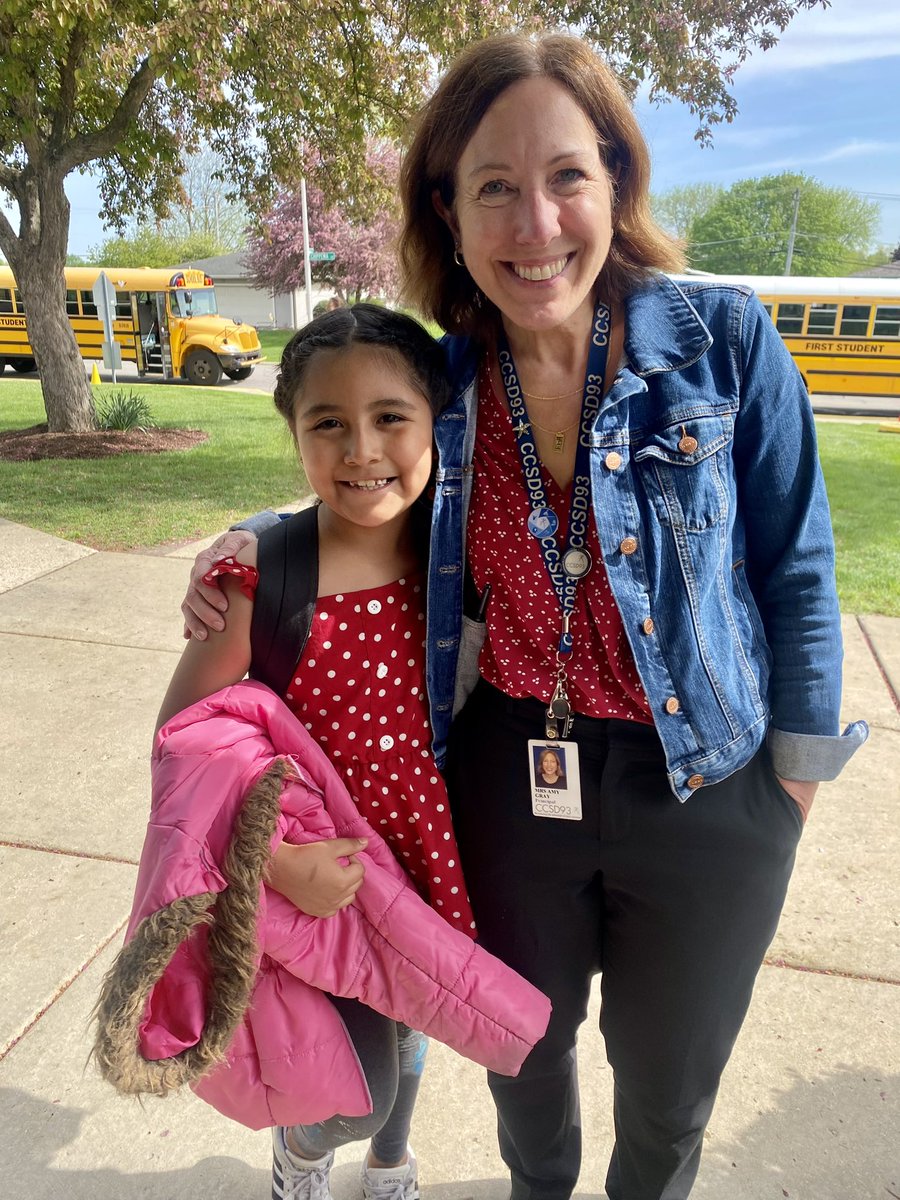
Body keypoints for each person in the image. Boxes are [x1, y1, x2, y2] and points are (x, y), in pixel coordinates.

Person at [179, 33, 868, 1200]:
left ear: (616, 186)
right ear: (449, 214)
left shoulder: (726, 342)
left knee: (668, 1083)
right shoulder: (448, 384)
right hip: (515, 775)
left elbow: (797, 570)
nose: (534, 224)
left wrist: (786, 795)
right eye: (493, 187)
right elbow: (367, 478)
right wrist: (258, 535)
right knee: (524, 1049)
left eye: (565, 178)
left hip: (708, 788)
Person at [158, 303, 476, 1200]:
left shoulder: (461, 558)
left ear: (436, 421)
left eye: (390, 418)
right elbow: (182, 742)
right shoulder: (266, 577)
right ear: (293, 432)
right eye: (327, 423)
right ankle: (309, 1149)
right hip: (317, 875)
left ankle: (388, 1160)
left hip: (425, 855)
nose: (361, 449)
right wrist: (278, 858)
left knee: (412, 1027)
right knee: (359, 1086)